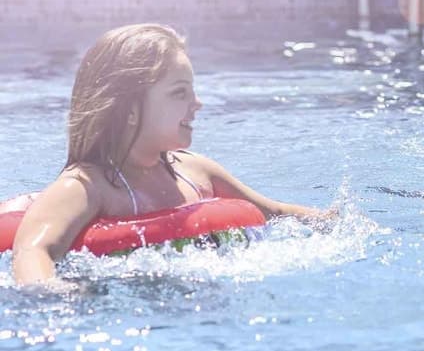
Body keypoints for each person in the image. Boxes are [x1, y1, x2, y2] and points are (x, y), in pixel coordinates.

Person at [12, 23, 338, 286]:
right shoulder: (86, 187)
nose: (198, 103)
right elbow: (33, 249)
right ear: (129, 110)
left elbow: (273, 212)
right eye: (180, 93)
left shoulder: (198, 173)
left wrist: (331, 222)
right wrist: (54, 292)